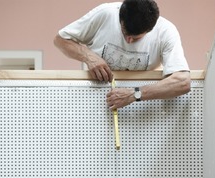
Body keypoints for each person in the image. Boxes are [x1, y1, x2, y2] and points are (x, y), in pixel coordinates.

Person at [54, 0, 191, 110]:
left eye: (136, 38)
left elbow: (183, 82)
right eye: (125, 33)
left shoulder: (165, 31)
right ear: (120, 15)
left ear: (151, 28)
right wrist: (89, 57)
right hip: (92, 101)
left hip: (139, 106)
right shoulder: (106, 14)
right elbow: (60, 40)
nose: (129, 41)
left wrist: (134, 94)